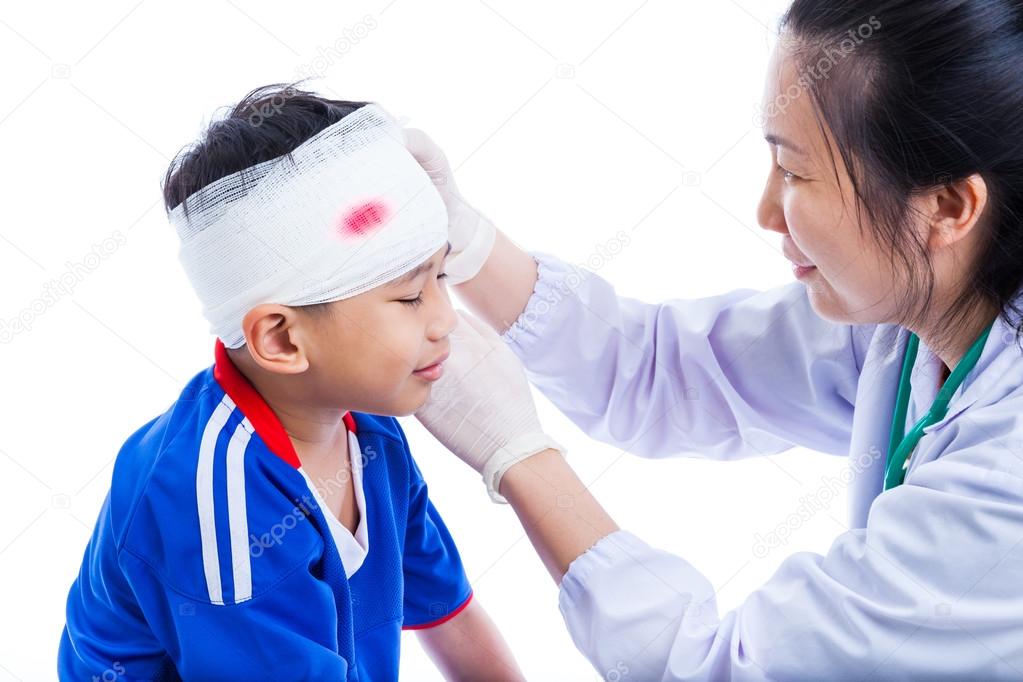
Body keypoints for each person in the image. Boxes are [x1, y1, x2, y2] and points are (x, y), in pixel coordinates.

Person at [409, 0, 1023, 678]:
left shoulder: (1007, 481)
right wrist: (461, 238)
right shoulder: (912, 315)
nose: (765, 211)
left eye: (794, 173)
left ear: (945, 208)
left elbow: (719, 670)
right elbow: (664, 372)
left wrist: (521, 457)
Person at [58, 86, 523, 681]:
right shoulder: (218, 503)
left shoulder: (368, 429)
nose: (447, 319)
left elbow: (449, 617)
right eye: (409, 295)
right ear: (279, 339)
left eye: (441, 277)